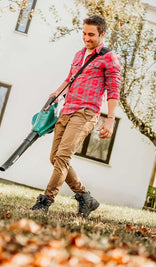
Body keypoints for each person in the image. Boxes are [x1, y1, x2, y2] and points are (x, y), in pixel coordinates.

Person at [30, 15, 121, 218]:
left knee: (63, 157)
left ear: (102, 34)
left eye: (91, 35)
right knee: (54, 157)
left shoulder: (109, 58)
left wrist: (110, 120)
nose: (86, 38)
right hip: (67, 110)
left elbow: (114, 91)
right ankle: (85, 198)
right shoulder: (79, 54)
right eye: (84, 33)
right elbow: (70, 79)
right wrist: (56, 93)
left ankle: (46, 201)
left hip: (86, 113)